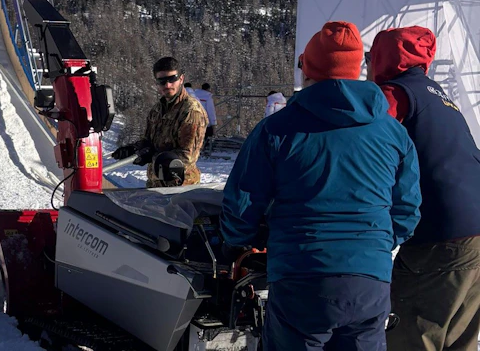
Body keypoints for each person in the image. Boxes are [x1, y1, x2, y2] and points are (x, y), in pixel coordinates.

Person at [221, 21, 421, 351]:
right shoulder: (393, 133)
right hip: (369, 281)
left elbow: (242, 204)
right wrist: (374, 245)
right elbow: (407, 210)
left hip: (301, 275)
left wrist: (248, 239)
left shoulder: (276, 130)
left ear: (308, 70)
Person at [369, 26, 480, 351]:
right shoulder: (440, 97)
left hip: (440, 238)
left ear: (383, 57)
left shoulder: (395, 94)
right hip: (474, 235)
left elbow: (362, 142)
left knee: (408, 336)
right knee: (458, 341)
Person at [111, 57, 207, 187]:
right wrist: (134, 149)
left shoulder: (191, 111)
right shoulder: (157, 110)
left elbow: (187, 156)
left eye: (172, 79)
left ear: (181, 79)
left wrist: (153, 156)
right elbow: (148, 141)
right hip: (156, 184)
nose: (167, 85)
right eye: (162, 81)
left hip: (180, 186)